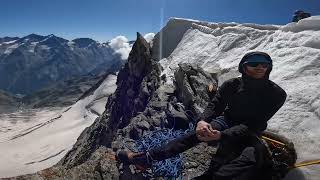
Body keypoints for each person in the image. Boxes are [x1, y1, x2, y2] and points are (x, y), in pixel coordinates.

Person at [117, 51, 287, 180]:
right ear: (244, 66)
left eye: (264, 64)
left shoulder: (277, 94)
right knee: (194, 135)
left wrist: (222, 135)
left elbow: (254, 124)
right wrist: (203, 121)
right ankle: (146, 158)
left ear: (269, 67)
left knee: (249, 161)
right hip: (227, 121)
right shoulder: (232, 85)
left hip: (249, 132)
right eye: (254, 63)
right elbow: (216, 105)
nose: (260, 67)